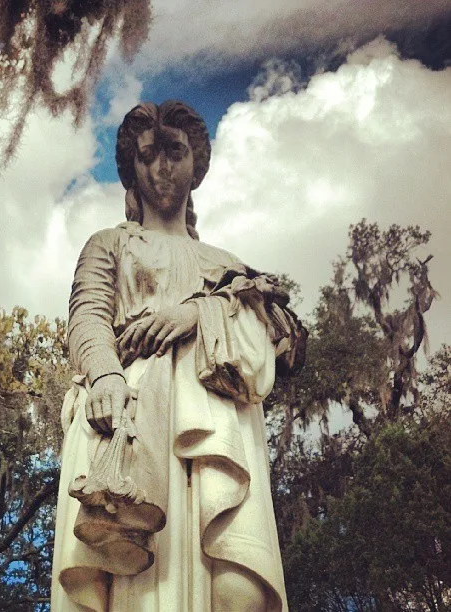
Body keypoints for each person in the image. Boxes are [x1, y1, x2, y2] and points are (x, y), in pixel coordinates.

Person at [51, 101, 306, 612]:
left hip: (214, 417)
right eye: (147, 156)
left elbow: (288, 338)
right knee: (137, 584)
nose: (161, 168)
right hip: (129, 408)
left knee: (237, 589)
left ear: (196, 164)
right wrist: (104, 376)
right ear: (132, 167)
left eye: (175, 153)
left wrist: (199, 314)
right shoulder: (110, 244)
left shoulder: (227, 265)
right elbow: (87, 316)